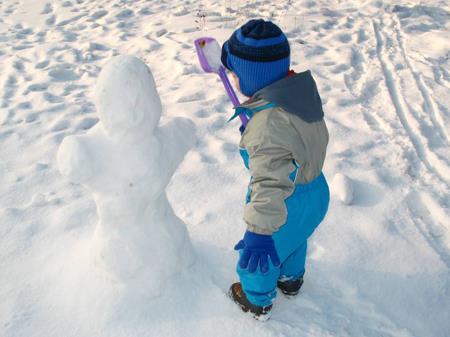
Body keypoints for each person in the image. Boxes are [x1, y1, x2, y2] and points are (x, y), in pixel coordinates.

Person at [221, 19, 330, 320]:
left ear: (251, 77)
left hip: (284, 200)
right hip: (315, 189)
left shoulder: (267, 126)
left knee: (259, 256)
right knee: (295, 238)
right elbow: (288, 140)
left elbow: (269, 183)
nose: (231, 76)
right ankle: (291, 280)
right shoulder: (298, 94)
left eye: (235, 72)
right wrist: (259, 113)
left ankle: (257, 299)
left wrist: (258, 231)